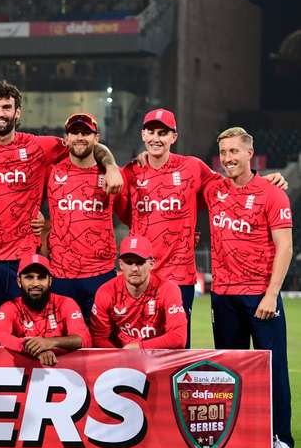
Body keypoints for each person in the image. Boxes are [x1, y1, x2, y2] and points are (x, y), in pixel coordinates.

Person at [0, 81, 123, 330]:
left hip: (24, 258)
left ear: (17, 112)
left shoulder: (39, 147)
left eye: (7, 107)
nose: (1, 113)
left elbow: (85, 144)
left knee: (29, 328)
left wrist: (111, 164)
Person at [121, 109, 286, 347]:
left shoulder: (193, 168)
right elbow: (125, 213)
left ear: (173, 137)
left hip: (179, 279)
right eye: (151, 131)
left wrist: (265, 181)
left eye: (163, 132)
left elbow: (230, 184)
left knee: (175, 349)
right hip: (140, 277)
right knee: (137, 349)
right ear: (142, 134)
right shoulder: (130, 172)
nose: (156, 138)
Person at [202, 127, 294, 448]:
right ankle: (238, 434)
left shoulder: (272, 194)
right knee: (230, 371)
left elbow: (284, 247)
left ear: (249, 153)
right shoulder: (213, 190)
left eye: (234, 152)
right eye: (223, 152)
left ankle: (281, 439)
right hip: (223, 296)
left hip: (260, 296)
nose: (228, 158)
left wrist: (271, 294)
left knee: (274, 370)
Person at [45, 112, 127, 320]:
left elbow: (135, 216)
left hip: (101, 275)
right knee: (63, 343)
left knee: (103, 346)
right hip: (61, 276)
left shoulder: (113, 175)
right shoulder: (51, 172)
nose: (80, 137)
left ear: (97, 138)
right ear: (66, 139)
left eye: (86, 133)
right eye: (74, 132)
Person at [0, 253, 90, 366]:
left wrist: (49, 343)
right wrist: (32, 348)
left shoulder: (66, 303)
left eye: (41, 277)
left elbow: (83, 339)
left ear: (50, 281)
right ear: (19, 281)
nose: (35, 283)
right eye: (29, 277)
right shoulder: (9, 307)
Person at [90, 235, 187, 350]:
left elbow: (178, 338)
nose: (134, 268)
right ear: (121, 264)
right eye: (129, 262)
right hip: (120, 361)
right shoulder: (106, 292)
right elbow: (99, 338)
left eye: (140, 263)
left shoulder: (168, 290)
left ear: (151, 264)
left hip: (157, 360)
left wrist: (138, 347)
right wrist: (120, 357)